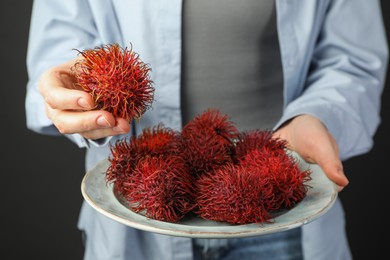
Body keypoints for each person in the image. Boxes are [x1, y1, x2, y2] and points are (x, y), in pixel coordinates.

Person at [25, 0, 388, 259]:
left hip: (282, 220)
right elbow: (57, 58)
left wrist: (317, 116)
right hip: (137, 221)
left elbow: (353, 59)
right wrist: (76, 99)